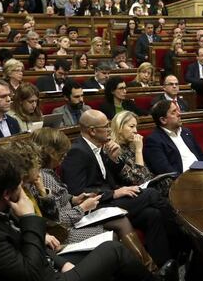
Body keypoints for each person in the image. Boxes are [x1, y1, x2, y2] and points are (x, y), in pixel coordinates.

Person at [0, 149, 175, 281]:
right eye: (20, 184)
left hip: (47, 265)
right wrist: (29, 216)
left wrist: (60, 262)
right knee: (111, 250)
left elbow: (28, 250)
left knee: (129, 279)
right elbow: (31, 274)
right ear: (7, 193)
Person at [61, 109, 184, 267]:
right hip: (97, 207)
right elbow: (78, 192)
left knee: (152, 215)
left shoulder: (101, 146)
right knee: (151, 194)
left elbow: (107, 177)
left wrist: (114, 159)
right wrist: (114, 193)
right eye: (106, 126)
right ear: (92, 131)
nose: (109, 130)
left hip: (109, 201)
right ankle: (185, 232)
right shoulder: (77, 151)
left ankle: (165, 265)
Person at [25, 128, 159, 271]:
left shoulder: (48, 173)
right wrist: (83, 207)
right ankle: (147, 271)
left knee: (135, 216)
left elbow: (61, 200)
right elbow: (57, 220)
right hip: (64, 231)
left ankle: (148, 269)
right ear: (50, 152)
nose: (64, 157)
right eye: (61, 153)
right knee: (147, 199)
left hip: (73, 217)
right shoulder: (43, 177)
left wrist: (74, 199)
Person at [144, 100, 203, 176]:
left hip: (202, 173)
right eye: (174, 112)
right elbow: (165, 171)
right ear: (163, 120)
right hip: (183, 181)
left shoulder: (185, 132)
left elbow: (201, 155)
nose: (179, 114)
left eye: (178, 110)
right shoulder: (154, 141)